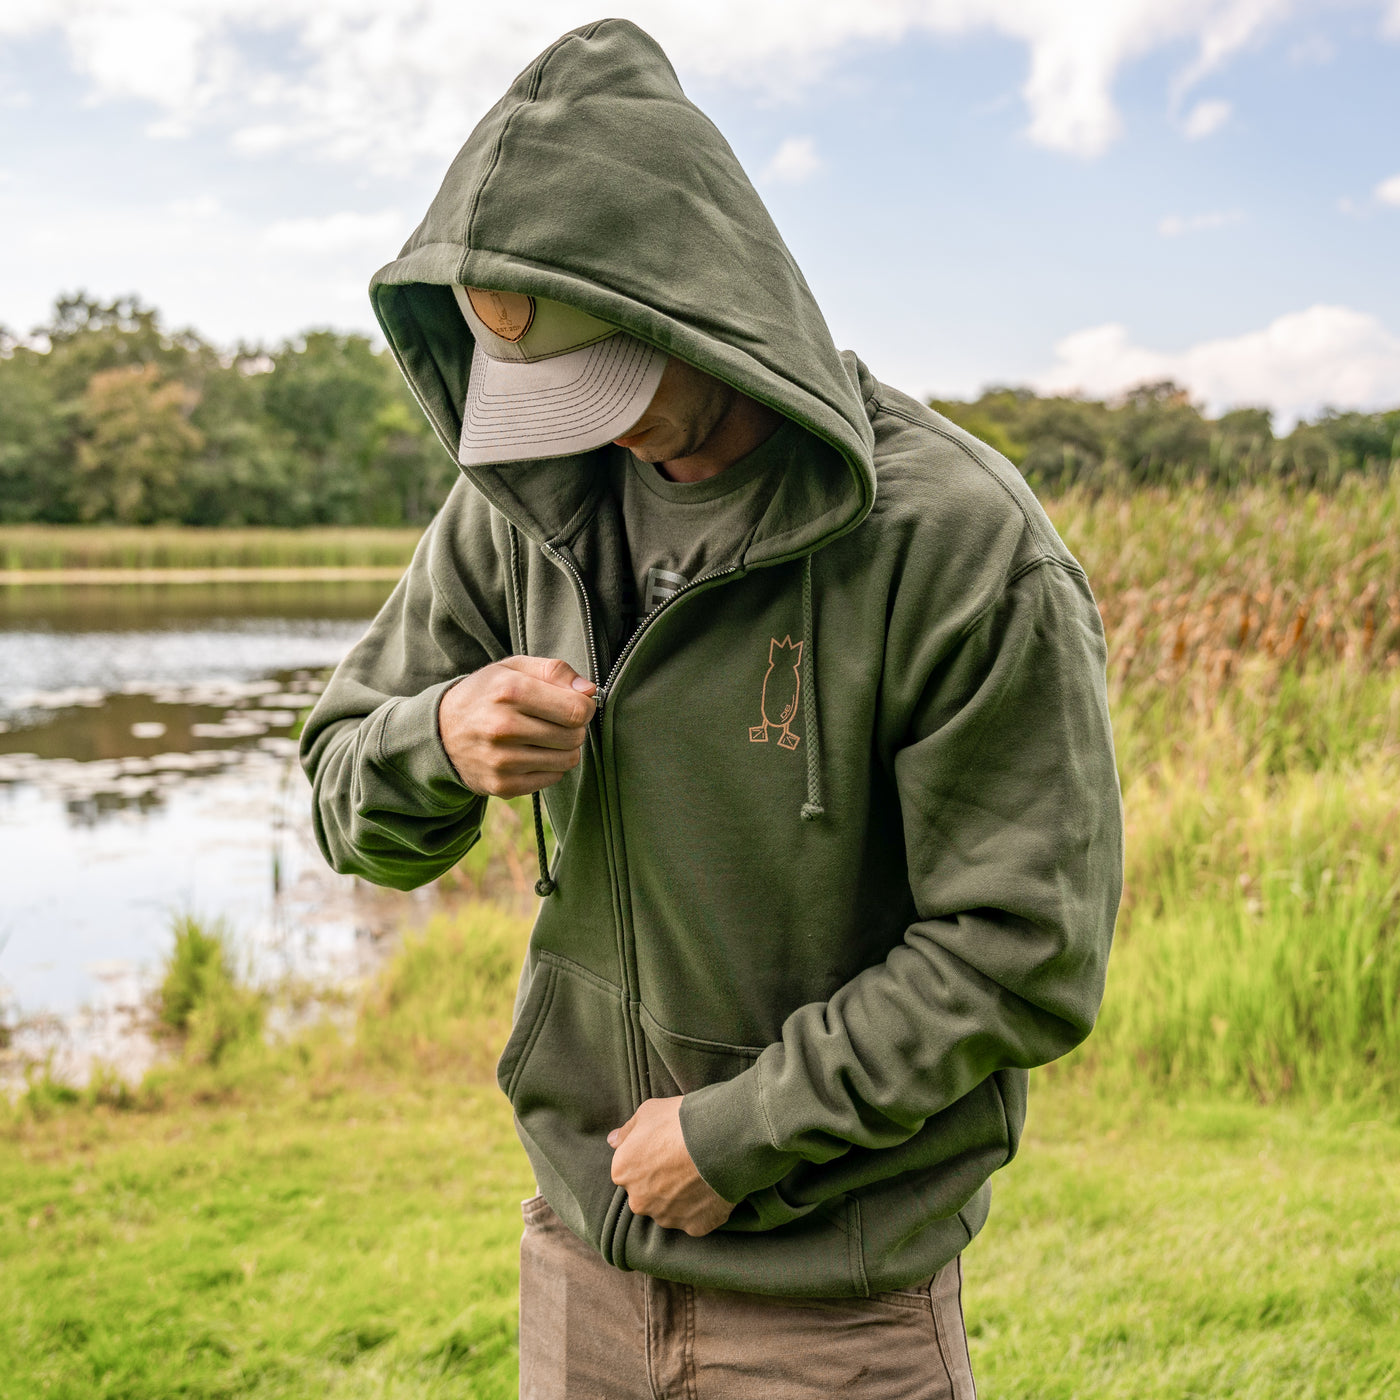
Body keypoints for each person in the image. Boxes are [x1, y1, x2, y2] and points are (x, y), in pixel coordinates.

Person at [301, 18, 1122, 1399]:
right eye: (546, 394)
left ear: (705, 304)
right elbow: (343, 794)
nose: (592, 427)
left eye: (613, 381)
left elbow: (1021, 950)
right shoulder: (516, 508)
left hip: (835, 1309)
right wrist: (436, 741)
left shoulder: (963, 545)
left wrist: (739, 1131)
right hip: (579, 1261)